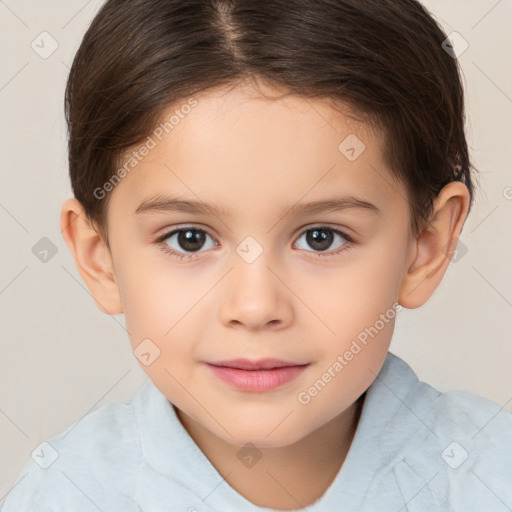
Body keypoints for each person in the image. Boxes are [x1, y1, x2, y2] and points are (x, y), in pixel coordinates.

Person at [3, 0, 511, 510]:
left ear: (425, 246)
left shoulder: (490, 477)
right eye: (189, 239)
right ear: (101, 258)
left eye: (320, 237)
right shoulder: (64, 493)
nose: (254, 306)